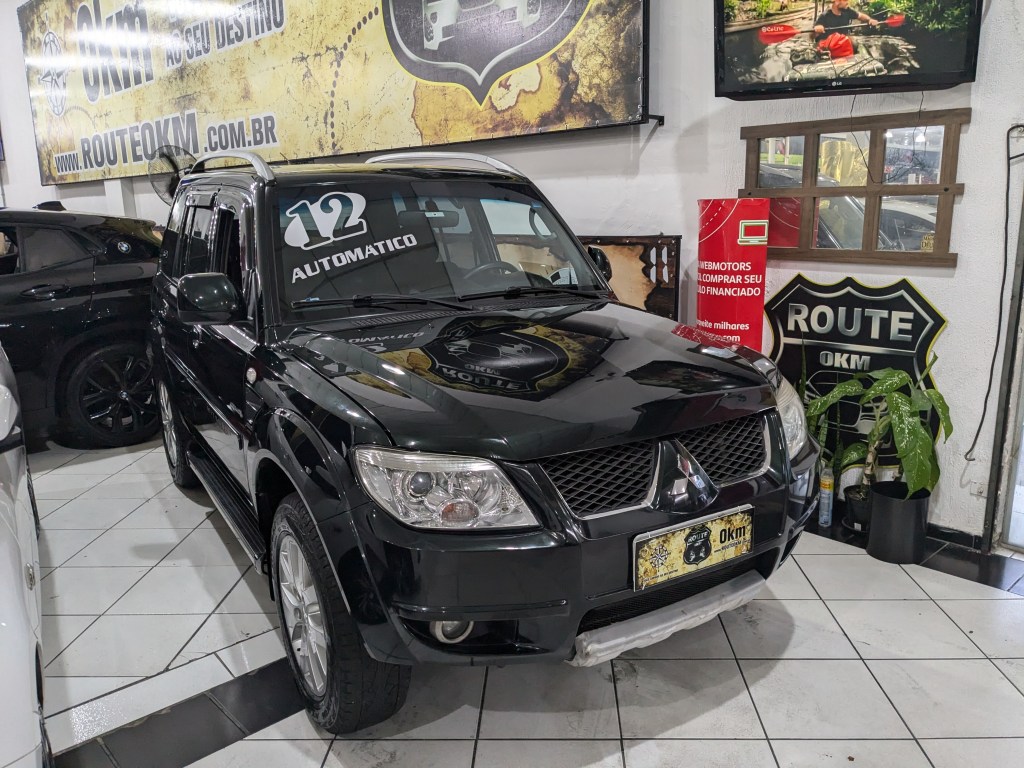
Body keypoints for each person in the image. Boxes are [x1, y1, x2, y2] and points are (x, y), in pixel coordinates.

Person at [813, 0, 880, 39]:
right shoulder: (825, 16)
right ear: (836, 1)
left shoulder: (847, 11)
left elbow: (861, 16)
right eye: (845, 0)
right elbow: (812, 36)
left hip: (844, 43)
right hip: (831, 47)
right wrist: (817, 30)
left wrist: (870, 20)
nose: (847, 2)